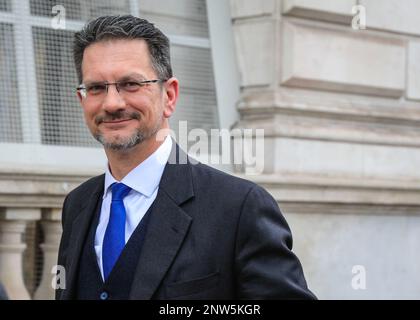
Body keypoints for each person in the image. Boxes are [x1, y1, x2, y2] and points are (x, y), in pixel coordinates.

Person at [55, 14, 316, 300]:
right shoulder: (76, 205)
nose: (112, 103)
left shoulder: (239, 208)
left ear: (169, 96)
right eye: (96, 88)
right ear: (82, 100)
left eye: (130, 84)